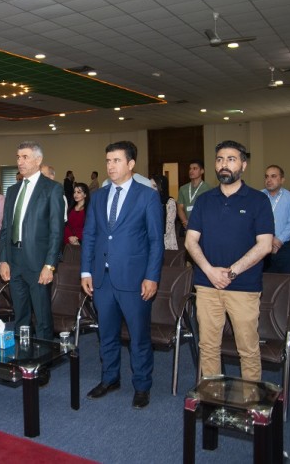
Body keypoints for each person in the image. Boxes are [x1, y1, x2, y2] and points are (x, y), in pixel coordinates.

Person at [81, 140, 164, 409]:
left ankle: (142, 385)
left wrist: (152, 276)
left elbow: (155, 240)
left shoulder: (147, 196)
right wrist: (86, 270)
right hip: (102, 279)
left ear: (131, 164)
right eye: (108, 161)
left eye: (116, 160)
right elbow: (90, 235)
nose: (111, 166)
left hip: (134, 279)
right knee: (106, 333)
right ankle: (110, 379)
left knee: (138, 336)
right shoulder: (99, 196)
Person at [184, 140, 274, 382]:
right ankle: (212, 396)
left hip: (244, 287)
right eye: (220, 159)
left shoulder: (258, 200)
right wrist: (210, 271)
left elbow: (265, 245)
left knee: (248, 349)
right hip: (207, 285)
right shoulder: (204, 200)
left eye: (231, 159)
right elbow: (190, 241)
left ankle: (251, 399)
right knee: (208, 347)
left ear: (243, 165)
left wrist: (231, 272)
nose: (224, 164)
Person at [0, 141, 64, 350]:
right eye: (18, 157)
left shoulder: (52, 189)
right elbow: (5, 228)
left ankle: (44, 360)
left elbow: (56, 232)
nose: (20, 162)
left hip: (38, 261)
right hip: (14, 259)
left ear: (38, 160)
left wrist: (50, 265)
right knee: (20, 315)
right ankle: (23, 356)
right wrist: (3, 260)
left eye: (25, 157)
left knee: (42, 317)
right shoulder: (12, 190)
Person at [261, 165, 290, 274]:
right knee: (263, 280)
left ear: (282, 180)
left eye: (273, 176)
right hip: (262, 247)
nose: (269, 180)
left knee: (286, 281)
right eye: (267, 176)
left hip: (285, 247)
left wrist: (278, 241)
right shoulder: (258, 196)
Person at [176, 160, 210, 234]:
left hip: (203, 227)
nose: (191, 171)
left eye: (195, 168)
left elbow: (210, 210)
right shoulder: (183, 188)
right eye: (190, 169)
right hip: (187, 227)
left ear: (202, 171)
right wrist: (185, 222)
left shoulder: (208, 189)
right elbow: (180, 208)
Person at [152, 175, 177, 250]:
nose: (151, 188)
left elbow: (169, 225)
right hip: (151, 241)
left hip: (166, 242)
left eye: (154, 186)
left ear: (161, 187)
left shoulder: (169, 202)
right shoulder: (149, 201)